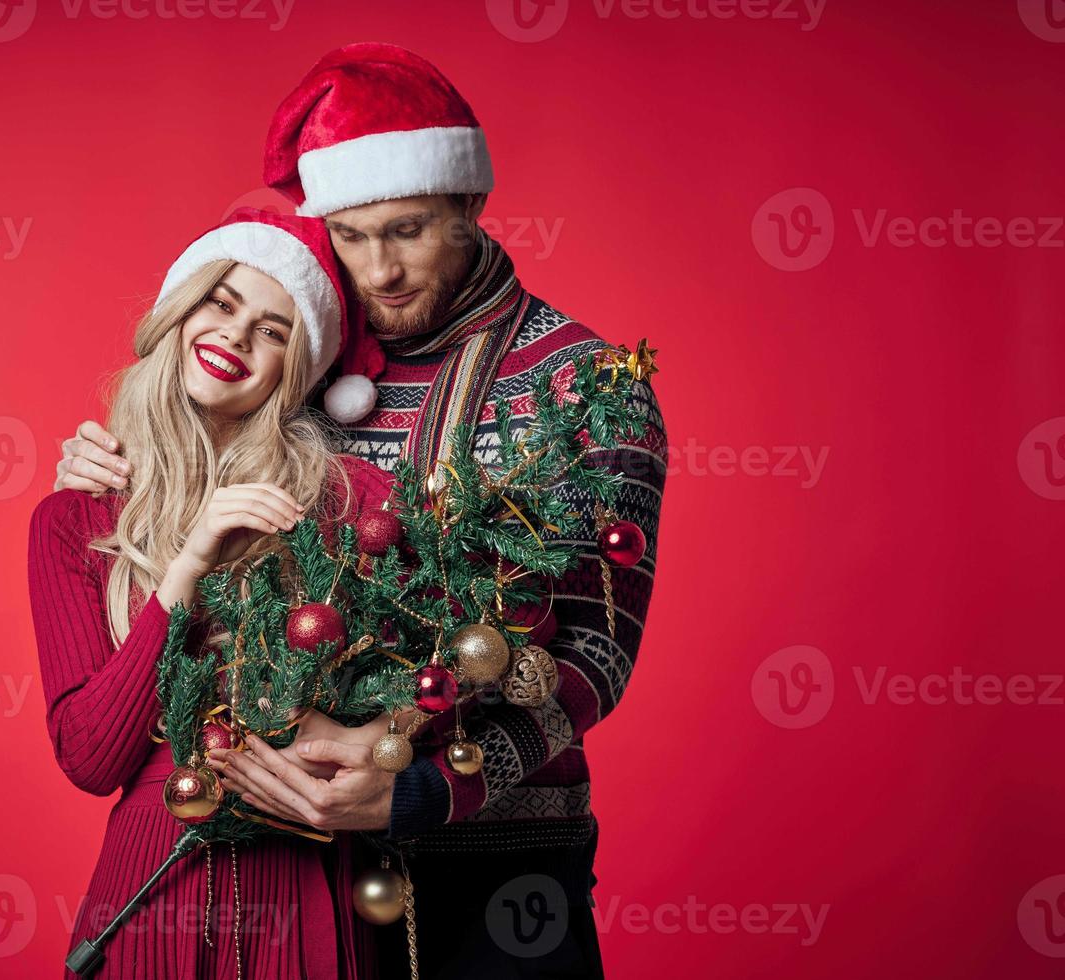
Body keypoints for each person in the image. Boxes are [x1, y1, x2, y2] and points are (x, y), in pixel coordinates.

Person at [56, 44, 669, 979]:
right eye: (349, 235)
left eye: (409, 229)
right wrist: (109, 458)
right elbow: (189, 456)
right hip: (304, 871)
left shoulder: (583, 384)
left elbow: (594, 652)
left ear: (468, 203)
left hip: (504, 867)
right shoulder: (307, 366)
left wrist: (423, 792)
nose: (378, 271)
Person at [28, 207, 407, 979]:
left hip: (310, 882)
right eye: (222, 303)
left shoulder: (349, 501)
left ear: (297, 372)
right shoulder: (78, 516)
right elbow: (92, 757)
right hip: (152, 887)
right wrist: (188, 564)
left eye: (273, 330)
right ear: (180, 312)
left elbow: (437, 670)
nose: (236, 337)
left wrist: (387, 736)